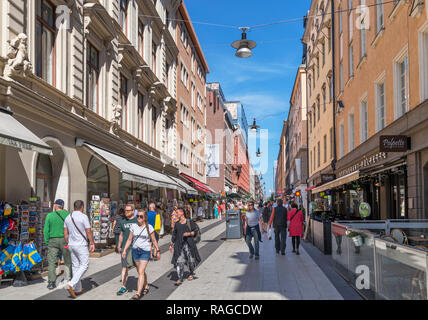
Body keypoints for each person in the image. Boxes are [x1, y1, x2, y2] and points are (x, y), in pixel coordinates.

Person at [122, 210, 160, 300]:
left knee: (141, 272)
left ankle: (138, 293)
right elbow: (129, 239)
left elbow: (154, 240)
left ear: (145, 218)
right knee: (140, 271)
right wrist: (124, 250)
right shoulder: (133, 226)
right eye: (138, 216)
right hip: (135, 251)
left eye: (141, 216)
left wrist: (157, 250)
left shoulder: (149, 227)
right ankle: (146, 286)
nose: (139, 218)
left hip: (145, 251)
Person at [64, 200, 95, 298]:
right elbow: (88, 231)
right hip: (81, 245)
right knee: (84, 265)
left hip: (72, 244)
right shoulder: (83, 216)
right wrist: (92, 243)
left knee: (75, 266)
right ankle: (71, 284)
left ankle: (78, 289)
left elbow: (65, 233)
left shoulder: (68, 217)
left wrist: (68, 242)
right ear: (82, 207)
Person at [43, 199, 72, 289]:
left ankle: (51, 282)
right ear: (62, 206)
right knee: (67, 260)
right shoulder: (68, 215)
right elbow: (71, 228)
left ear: (55, 205)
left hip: (53, 240)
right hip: (65, 240)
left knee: (52, 262)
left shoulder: (50, 215)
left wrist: (47, 241)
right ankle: (69, 279)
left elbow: (46, 231)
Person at [169, 207, 201, 286]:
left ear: (182, 213)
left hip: (189, 244)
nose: (176, 214)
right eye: (175, 213)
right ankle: (180, 278)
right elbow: (174, 234)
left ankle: (191, 273)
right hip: (179, 245)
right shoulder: (177, 224)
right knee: (179, 261)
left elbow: (195, 231)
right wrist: (171, 243)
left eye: (177, 213)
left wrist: (189, 234)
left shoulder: (189, 222)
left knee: (190, 260)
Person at [116, 204, 138, 296]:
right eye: (125, 211)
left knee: (139, 269)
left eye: (128, 211)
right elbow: (121, 234)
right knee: (124, 267)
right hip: (125, 248)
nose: (126, 212)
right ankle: (123, 286)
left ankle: (143, 285)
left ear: (133, 211)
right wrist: (119, 245)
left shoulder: (137, 220)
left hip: (136, 248)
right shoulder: (122, 221)